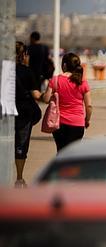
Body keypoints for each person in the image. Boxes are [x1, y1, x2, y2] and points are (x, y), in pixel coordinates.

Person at [43, 53, 92, 152]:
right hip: (77, 123)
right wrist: (87, 120)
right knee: (73, 154)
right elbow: (89, 106)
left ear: (64, 65)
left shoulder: (55, 80)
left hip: (59, 123)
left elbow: (46, 99)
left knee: (61, 152)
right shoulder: (82, 82)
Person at [14, 42, 42, 188]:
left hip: (5, 112)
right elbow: (36, 95)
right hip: (23, 113)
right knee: (21, 145)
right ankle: (19, 178)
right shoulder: (27, 72)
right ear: (22, 55)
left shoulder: (3, 70)